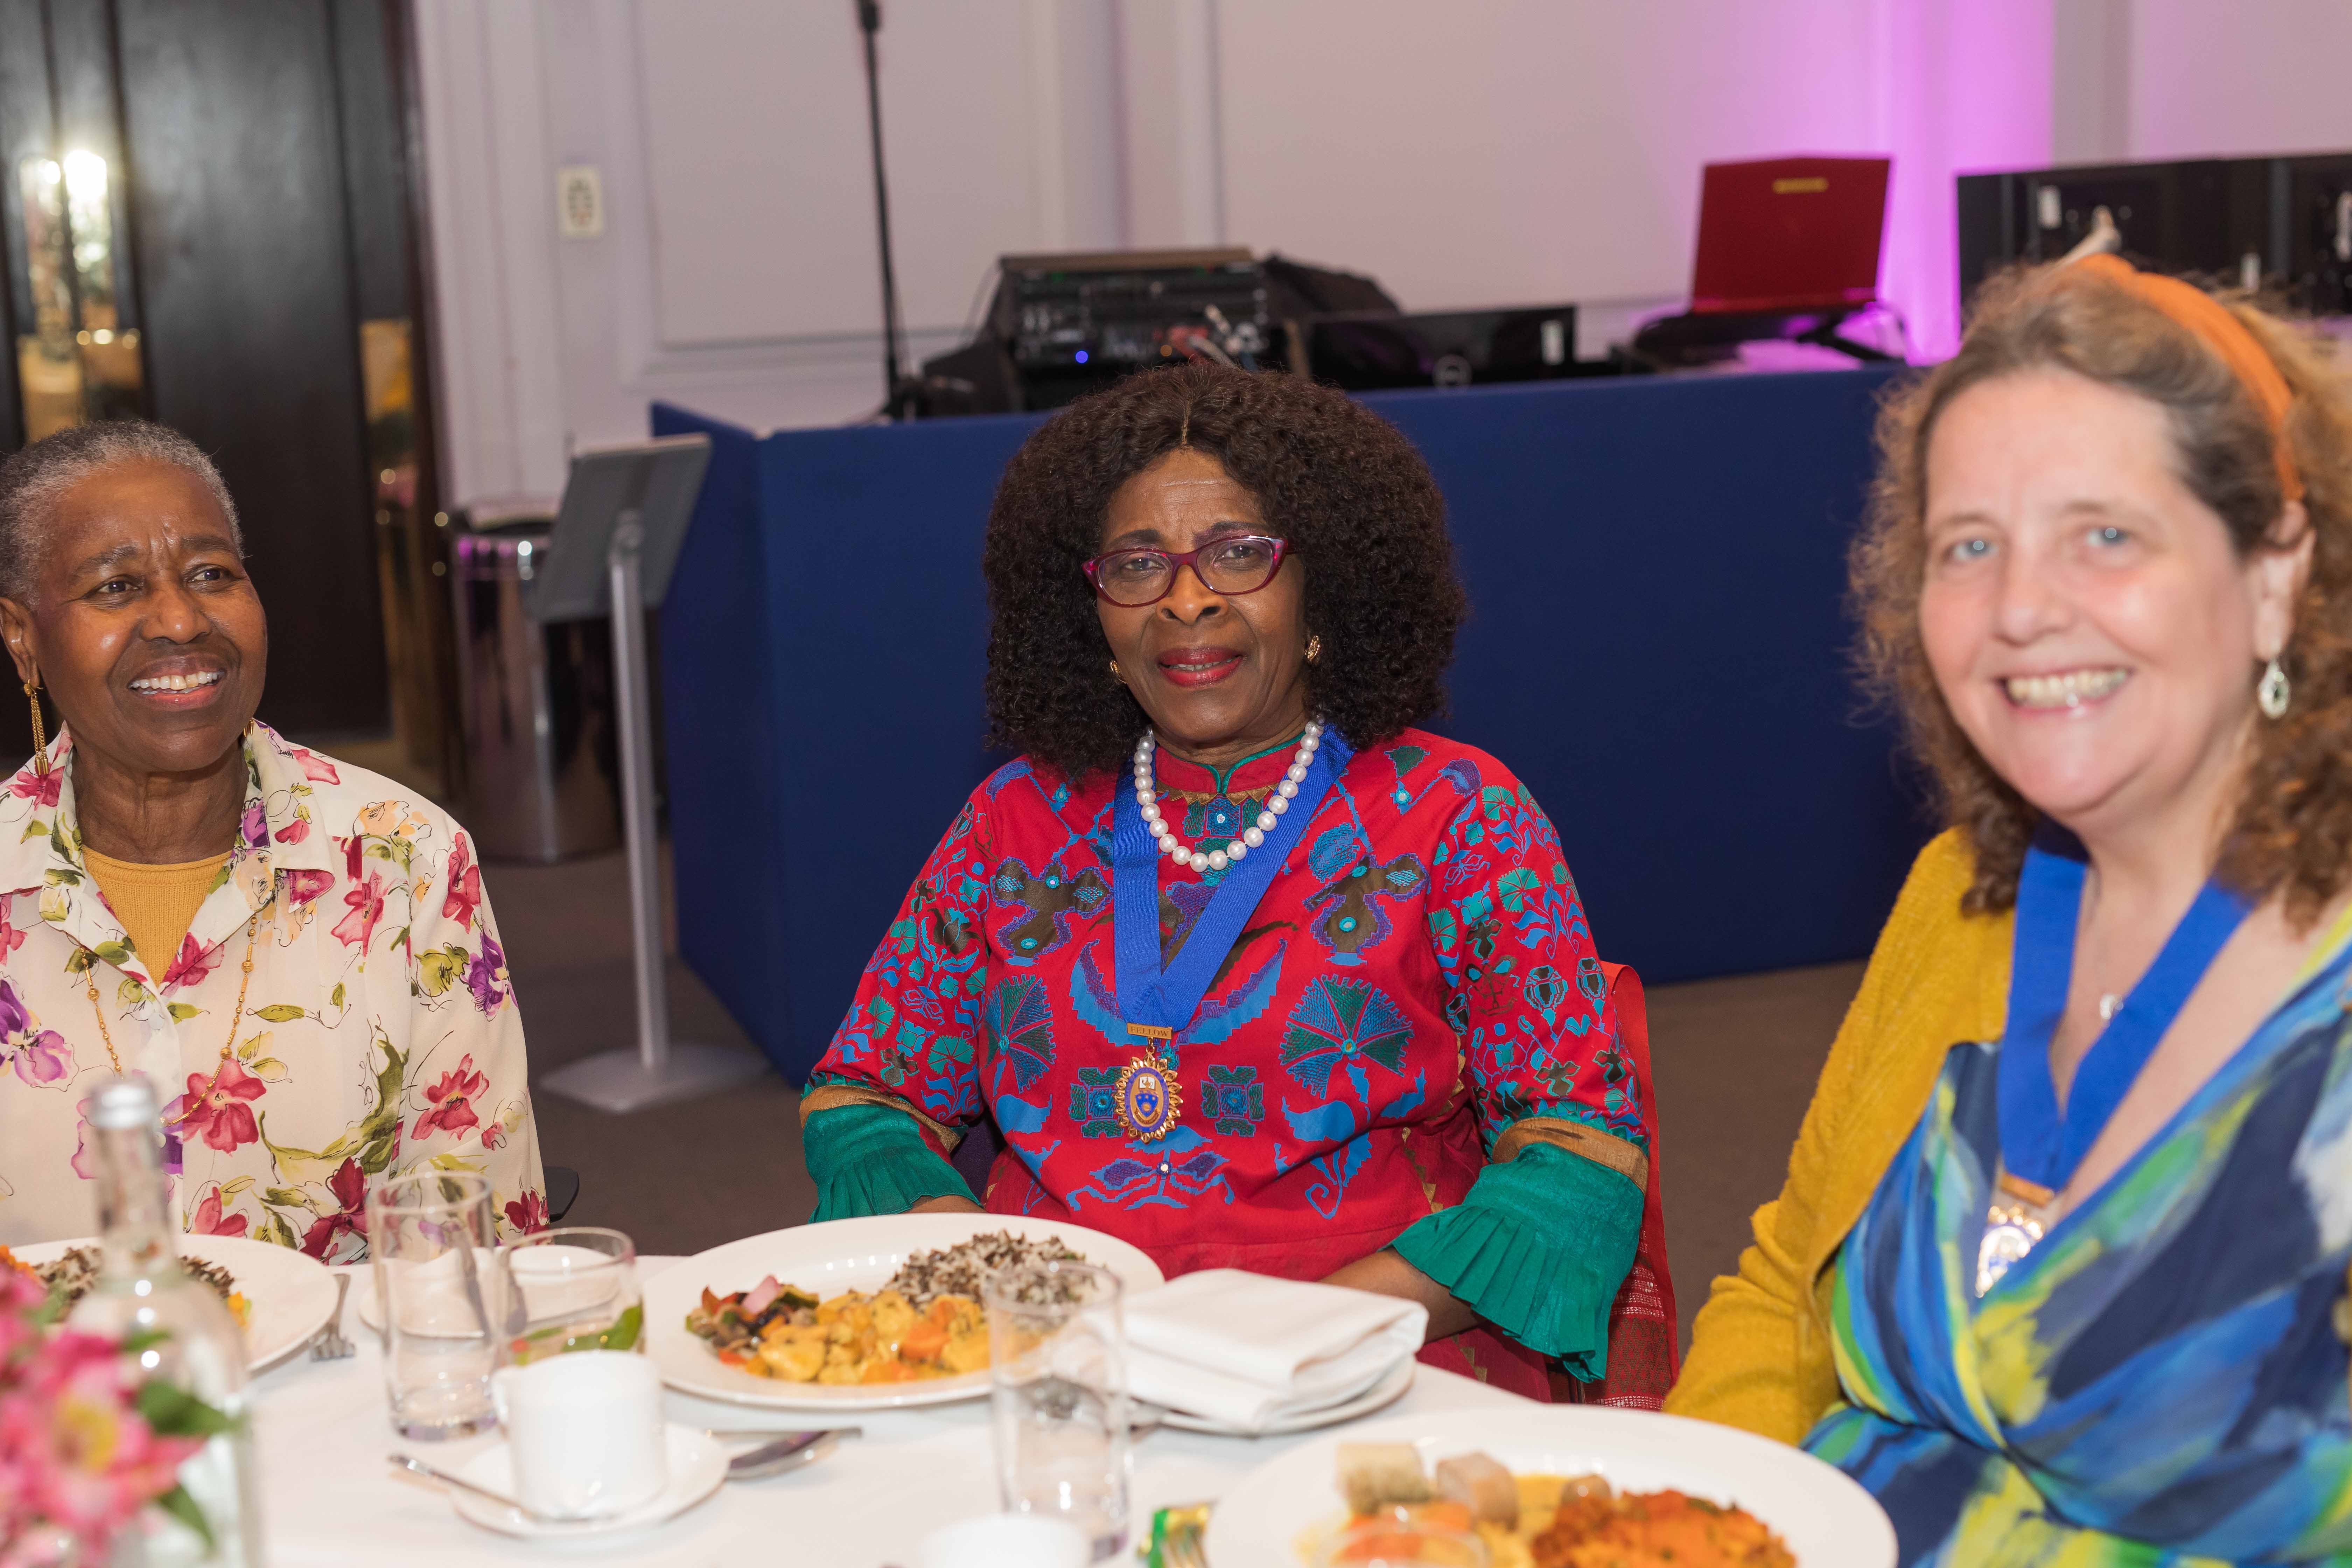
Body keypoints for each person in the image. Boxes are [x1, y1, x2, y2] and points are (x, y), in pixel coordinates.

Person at [799, 364, 1674, 1403]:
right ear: (1097, 619)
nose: (1186, 597)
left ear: (1321, 588)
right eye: (1137, 565)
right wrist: (994, 1275)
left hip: (1368, 1360)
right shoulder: (1013, 820)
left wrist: (1307, 1332)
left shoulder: (1457, 814)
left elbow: (1580, 1160)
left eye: (1238, 553)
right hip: (1058, 1359)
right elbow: (864, 1096)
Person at [1668, 254, 2352, 1558]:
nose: (2023, 609)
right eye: (1969, 546)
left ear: (2275, 574)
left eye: (2106, 534)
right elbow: (1782, 1286)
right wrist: (1685, 1529)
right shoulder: (1960, 902)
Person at [0, 421, 544, 1257]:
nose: (181, 620)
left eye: (212, 574)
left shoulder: (406, 859)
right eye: (115, 587)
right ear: (23, 637)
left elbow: (478, 1238)